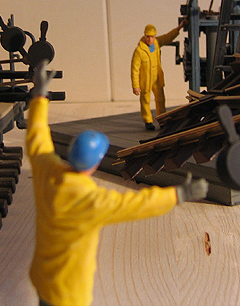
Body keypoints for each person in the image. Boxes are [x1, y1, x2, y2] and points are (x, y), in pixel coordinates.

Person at [26, 61, 207, 306]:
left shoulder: (47, 171)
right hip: (69, 293)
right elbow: (137, 204)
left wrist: (39, 97)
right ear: (97, 162)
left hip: (43, 279)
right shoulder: (92, 201)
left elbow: (37, 137)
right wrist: (177, 195)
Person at [131, 20, 186, 130]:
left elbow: (168, 37)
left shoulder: (157, 43)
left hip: (157, 78)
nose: (150, 39)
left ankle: (162, 120)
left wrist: (179, 28)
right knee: (145, 101)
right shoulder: (139, 51)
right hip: (145, 80)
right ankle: (148, 121)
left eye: (152, 37)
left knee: (160, 99)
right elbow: (134, 70)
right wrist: (135, 86)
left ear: (155, 36)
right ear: (145, 36)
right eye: (148, 36)